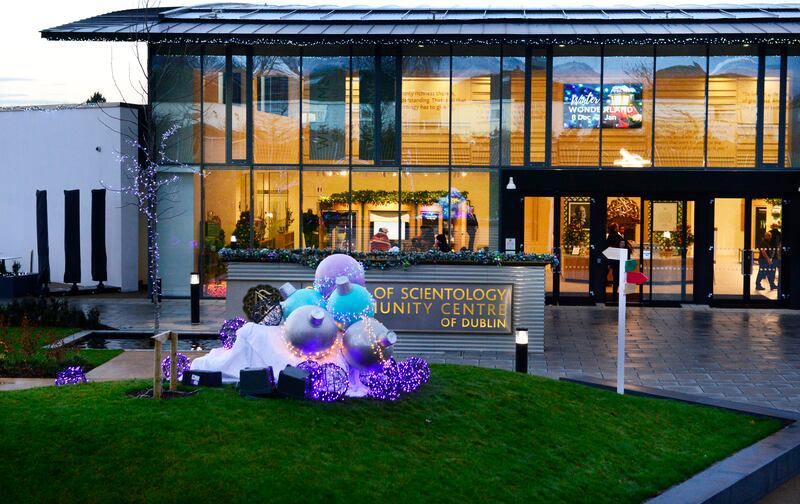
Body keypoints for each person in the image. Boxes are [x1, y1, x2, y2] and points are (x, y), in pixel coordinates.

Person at [605, 223, 625, 299]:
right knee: (616, 276)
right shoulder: (618, 236)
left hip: (610, 258)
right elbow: (622, 245)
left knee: (605, 273)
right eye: (618, 227)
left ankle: (603, 291)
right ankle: (614, 293)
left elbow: (606, 246)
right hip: (616, 258)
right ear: (615, 228)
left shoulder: (609, 236)